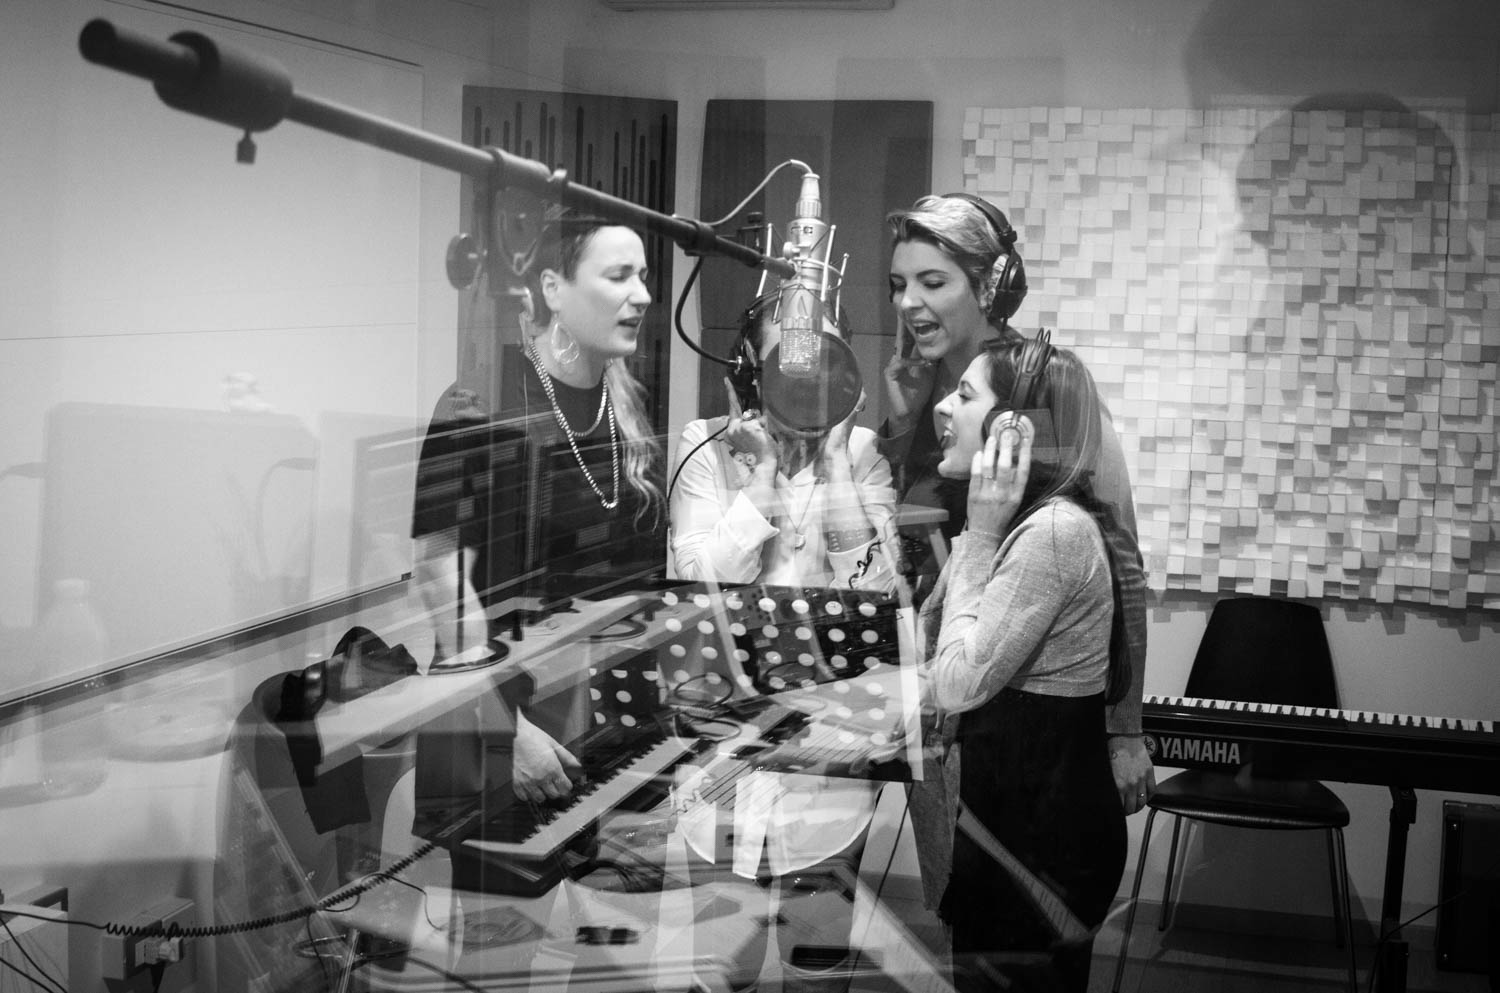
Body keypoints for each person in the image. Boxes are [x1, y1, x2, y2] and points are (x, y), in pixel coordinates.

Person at [881, 194, 1154, 841]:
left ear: (992, 286)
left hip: (1020, 726)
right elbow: (905, 534)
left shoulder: (1046, 391)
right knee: (956, 892)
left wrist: (1123, 729)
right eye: (898, 284)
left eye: (932, 282)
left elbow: (1120, 558)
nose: (908, 303)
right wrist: (901, 424)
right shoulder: (923, 395)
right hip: (941, 708)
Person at [666, 292, 900, 993]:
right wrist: (763, 477)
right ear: (748, 369)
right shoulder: (706, 444)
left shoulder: (864, 453)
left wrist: (836, 466)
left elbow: (876, 594)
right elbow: (699, 582)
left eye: (821, 358)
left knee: (814, 969)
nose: (804, 377)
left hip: (828, 767)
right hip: (721, 760)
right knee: (720, 968)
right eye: (784, 360)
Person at [411, 210, 665, 803]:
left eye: (643, 276)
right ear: (553, 288)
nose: (643, 295)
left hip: (605, 707)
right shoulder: (481, 402)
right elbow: (438, 573)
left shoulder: (627, 405)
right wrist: (506, 730)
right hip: (504, 718)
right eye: (619, 276)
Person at [923, 338, 1128, 993]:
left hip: (1040, 849)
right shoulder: (1027, 522)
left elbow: (956, 681)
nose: (942, 407)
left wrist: (981, 533)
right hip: (1014, 830)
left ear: (1014, 429)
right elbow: (935, 637)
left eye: (964, 394)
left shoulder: (1051, 534)